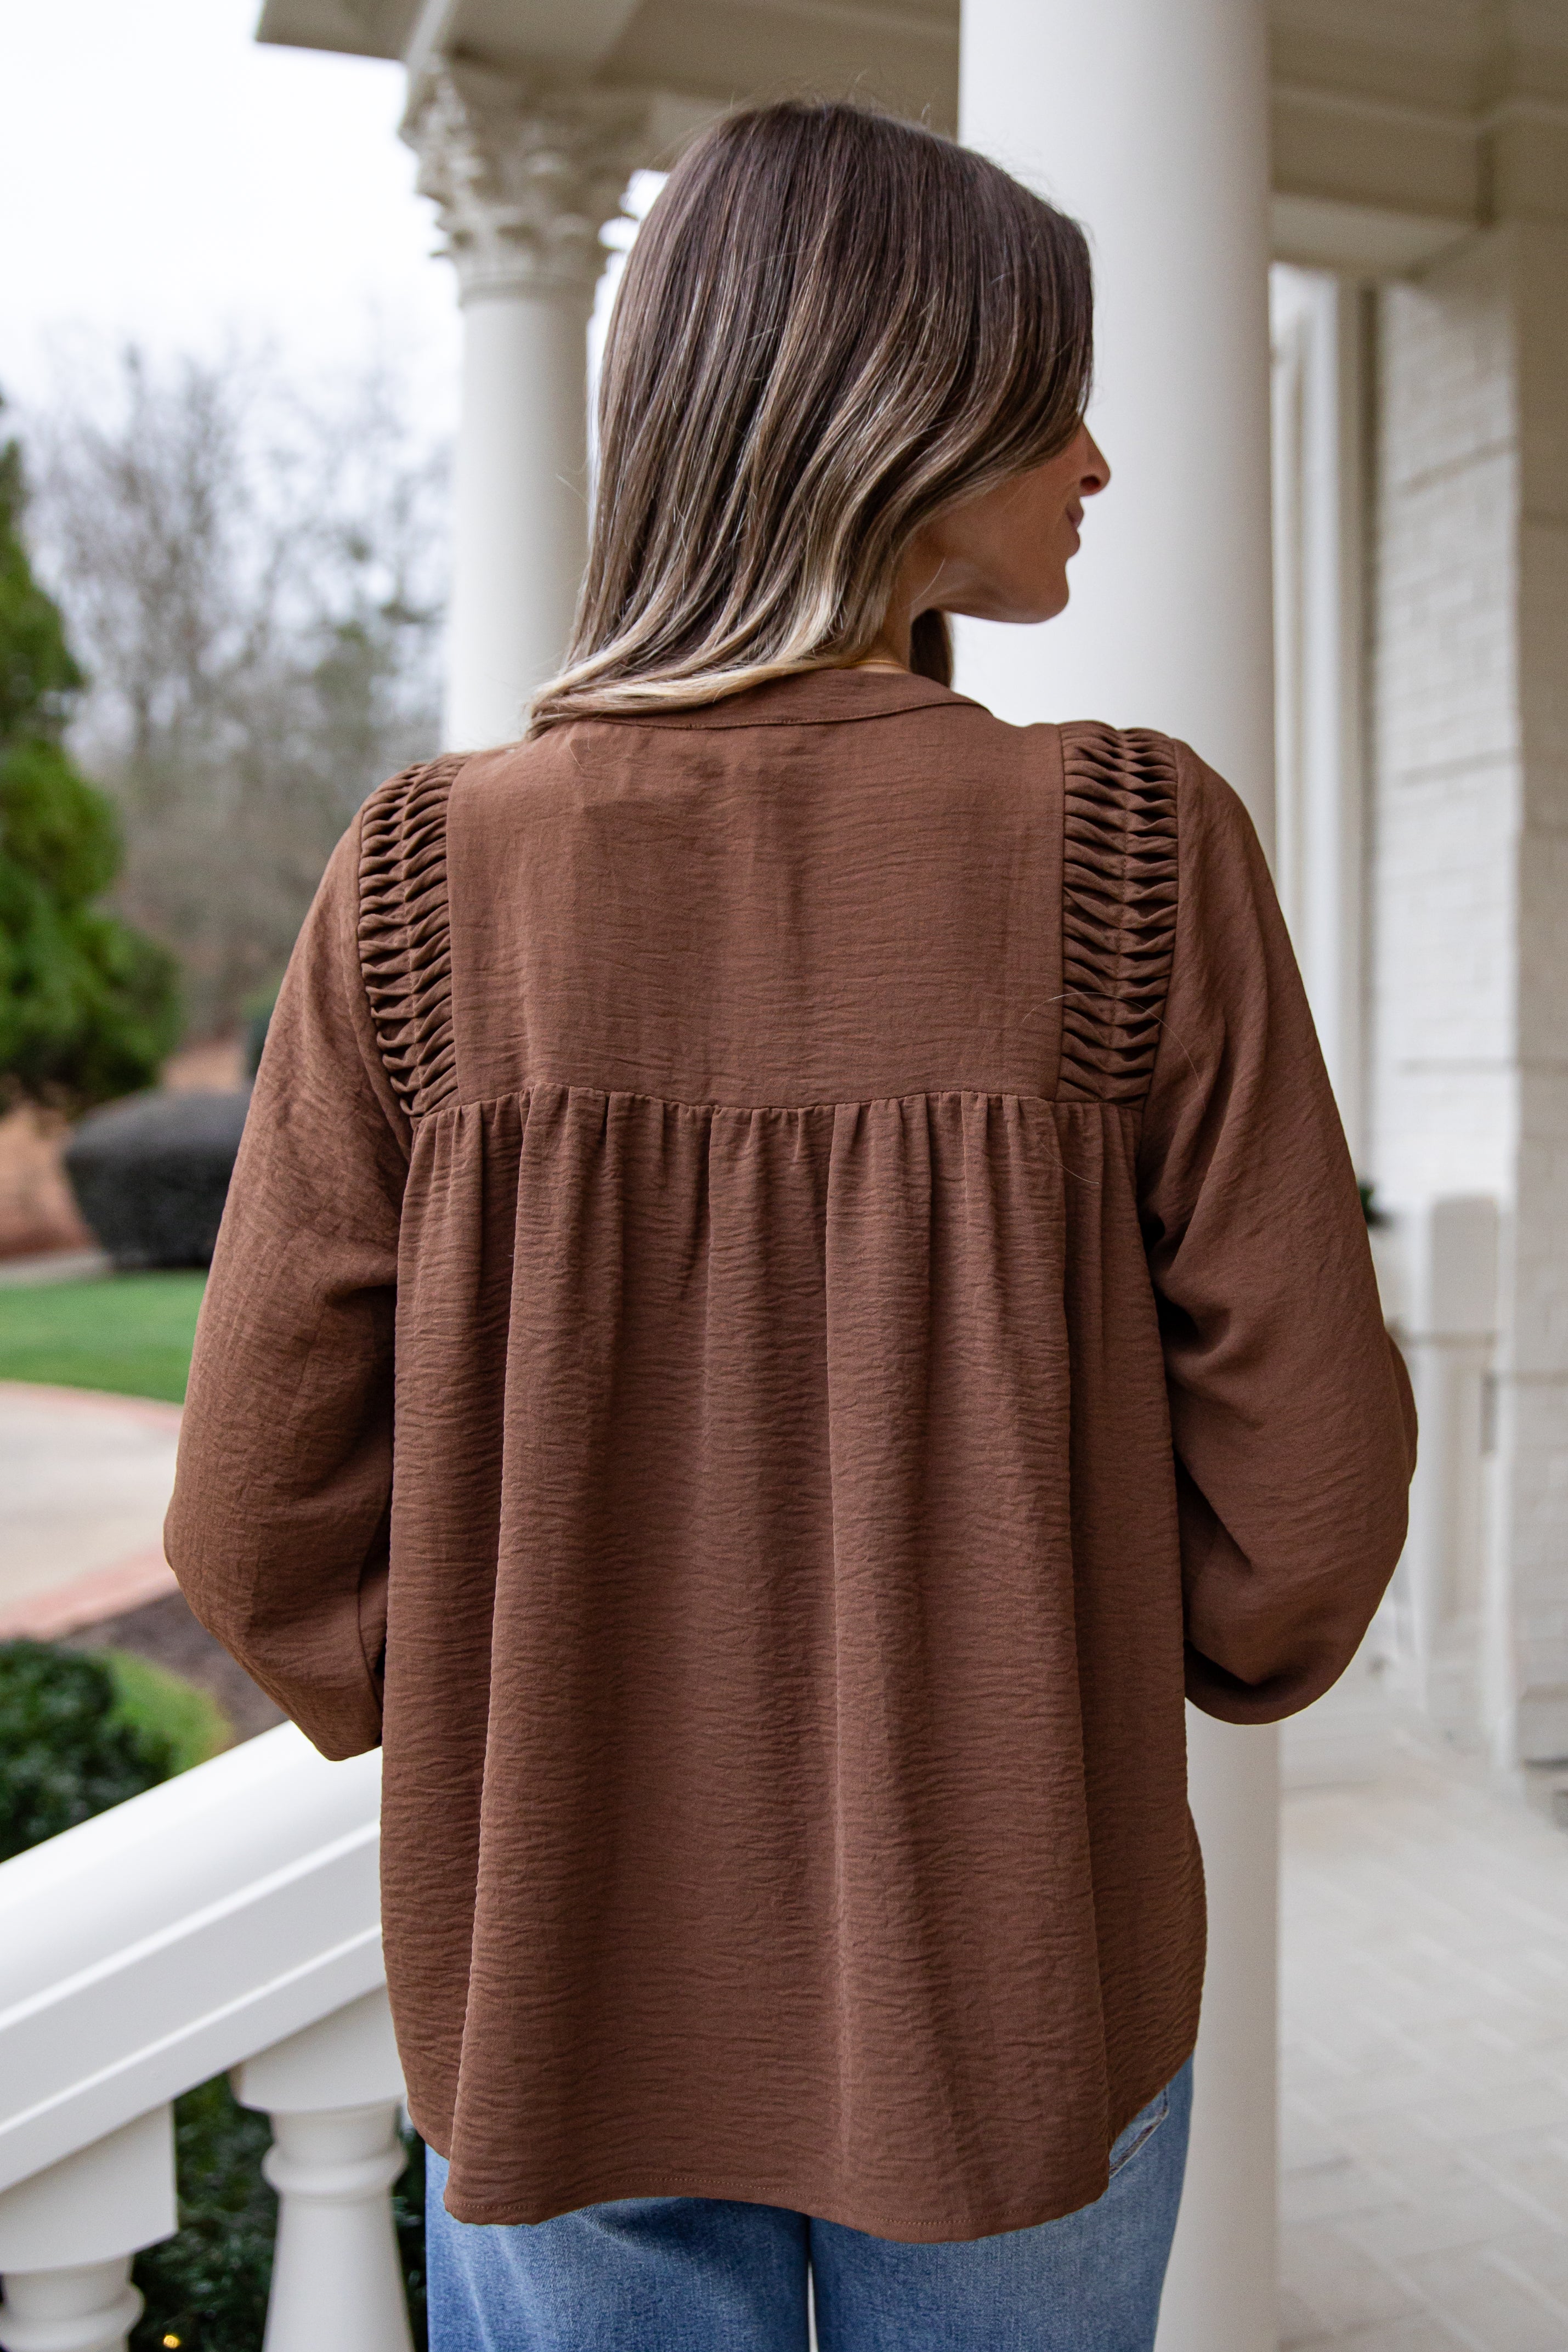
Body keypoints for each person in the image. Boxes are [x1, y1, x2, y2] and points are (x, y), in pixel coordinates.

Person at [166, 99, 1416, 2352]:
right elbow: (1306, 1514)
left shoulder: (432, 879)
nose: (1100, 464)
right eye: (1047, 395)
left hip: (560, 1995)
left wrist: (535, 1708)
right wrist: (1065, 1668)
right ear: (885, 410)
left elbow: (257, 1532)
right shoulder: (1126, 852)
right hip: (1022, 1983)